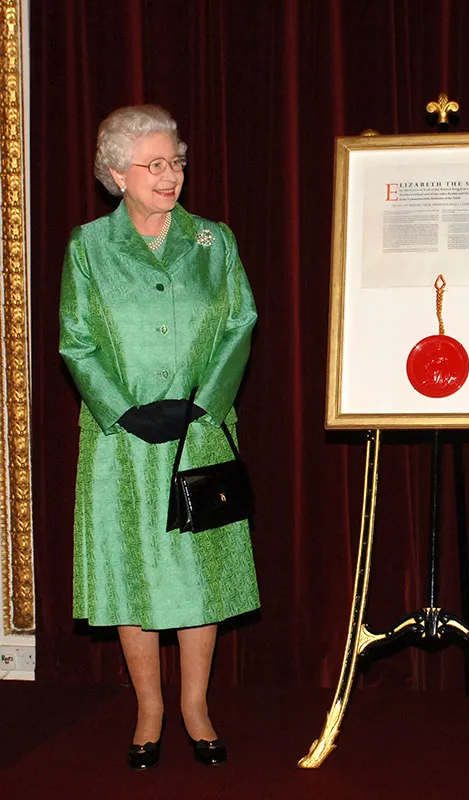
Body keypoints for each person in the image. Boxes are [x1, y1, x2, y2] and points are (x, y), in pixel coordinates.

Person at [58, 104, 259, 770]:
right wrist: (122, 408)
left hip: (198, 431)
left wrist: (206, 404)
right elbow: (76, 340)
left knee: (201, 573)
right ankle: (148, 708)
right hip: (122, 440)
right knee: (130, 570)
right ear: (116, 172)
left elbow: (240, 321)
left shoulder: (213, 240)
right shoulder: (88, 248)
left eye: (176, 161)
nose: (170, 175)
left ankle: (196, 706)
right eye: (154, 165)